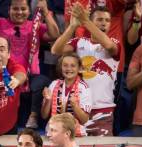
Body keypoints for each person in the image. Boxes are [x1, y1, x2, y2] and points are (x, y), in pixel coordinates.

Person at [0, 0, 60, 129]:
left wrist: (46, 12)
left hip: (30, 77)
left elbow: (54, 34)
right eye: (15, 9)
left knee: (43, 81)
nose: (19, 12)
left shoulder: (34, 26)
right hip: (6, 76)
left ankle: (33, 116)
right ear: (9, 10)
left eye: (23, 9)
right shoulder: (0, 23)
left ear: (29, 11)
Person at [51, 5, 119, 136]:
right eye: (99, 19)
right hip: (78, 110)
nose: (104, 23)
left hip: (102, 111)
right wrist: (72, 26)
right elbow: (55, 50)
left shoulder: (114, 42)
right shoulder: (78, 42)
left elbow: (109, 46)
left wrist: (85, 21)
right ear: (91, 22)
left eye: (107, 20)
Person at [41, 53, 91, 137]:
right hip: (53, 134)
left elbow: (84, 120)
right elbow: (44, 115)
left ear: (79, 69)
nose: (69, 69)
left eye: (73, 66)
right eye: (65, 65)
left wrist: (75, 106)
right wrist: (48, 100)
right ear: (61, 68)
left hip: (75, 135)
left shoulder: (84, 88)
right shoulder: (54, 84)